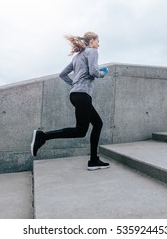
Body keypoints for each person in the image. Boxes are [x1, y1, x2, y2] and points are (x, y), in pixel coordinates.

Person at [30, 31, 110, 171]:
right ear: (91, 41)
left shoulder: (77, 57)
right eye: (97, 41)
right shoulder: (92, 52)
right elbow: (93, 72)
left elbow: (63, 74)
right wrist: (103, 73)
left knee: (89, 127)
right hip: (83, 95)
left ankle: (93, 160)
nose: (99, 44)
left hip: (75, 95)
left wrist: (74, 84)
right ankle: (43, 136)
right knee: (89, 127)